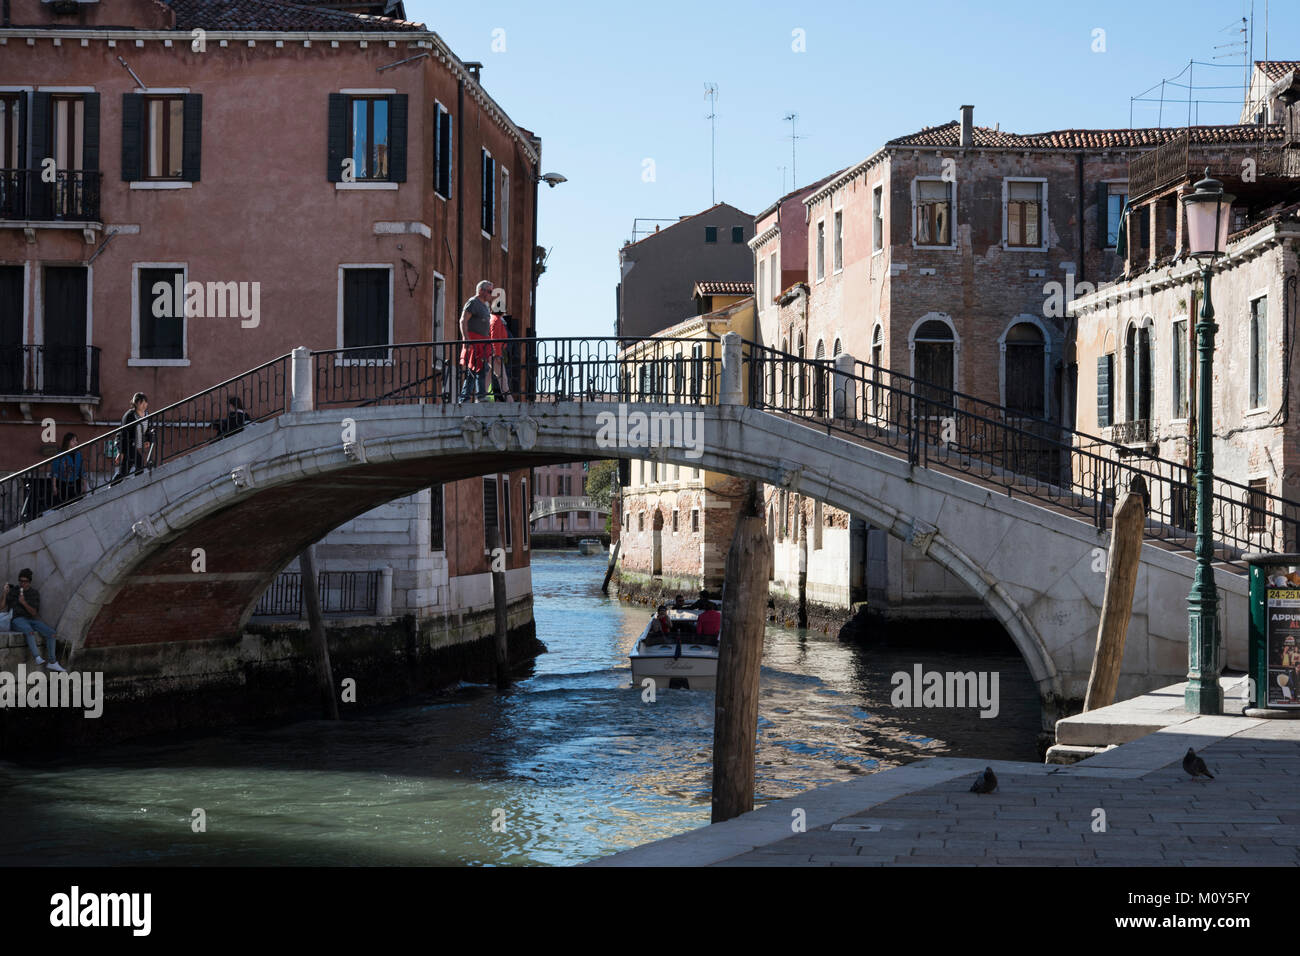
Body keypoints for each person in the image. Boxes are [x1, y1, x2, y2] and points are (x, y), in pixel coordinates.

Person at [7, 568, 65, 672]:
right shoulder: (14, 591)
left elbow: (34, 613)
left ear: (29, 582)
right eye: (20, 581)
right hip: (17, 619)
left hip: (30, 619)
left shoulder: (34, 593)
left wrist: (23, 602)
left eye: (25, 581)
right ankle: (37, 657)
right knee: (29, 631)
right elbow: (2, 606)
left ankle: (52, 662)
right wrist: (4, 593)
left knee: (51, 633)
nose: (22, 583)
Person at [458, 280, 495, 402]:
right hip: (474, 341)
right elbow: (463, 320)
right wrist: (466, 339)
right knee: (478, 369)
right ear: (481, 291)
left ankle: (465, 398)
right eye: (489, 291)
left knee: (476, 370)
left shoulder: (485, 306)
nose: (491, 294)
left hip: (483, 342)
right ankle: (480, 396)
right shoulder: (473, 302)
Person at [113, 392, 153, 483]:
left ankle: (112, 486)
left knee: (124, 470)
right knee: (139, 462)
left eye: (145, 402)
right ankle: (138, 484)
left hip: (133, 444)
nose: (144, 405)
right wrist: (121, 452)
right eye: (141, 403)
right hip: (126, 443)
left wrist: (147, 440)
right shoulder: (129, 415)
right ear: (136, 403)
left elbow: (148, 429)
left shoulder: (146, 415)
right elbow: (124, 433)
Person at [51, 433, 85, 506]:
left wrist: (84, 485)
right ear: (67, 442)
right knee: (64, 506)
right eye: (73, 440)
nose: (76, 442)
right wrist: (54, 487)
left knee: (76, 506)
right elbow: (55, 472)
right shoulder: (60, 455)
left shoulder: (78, 454)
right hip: (63, 484)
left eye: (76, 440)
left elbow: (82, 471)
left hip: (76, 483)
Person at [487, 310, 513, 402]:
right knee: (503, 379)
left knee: (488, 377)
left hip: (490, 353)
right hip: (494, 354)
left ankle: (479, 400)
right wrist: (497, 355)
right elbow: (495, 338)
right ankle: (510, 402)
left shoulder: (493, 320)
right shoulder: (496, 320)